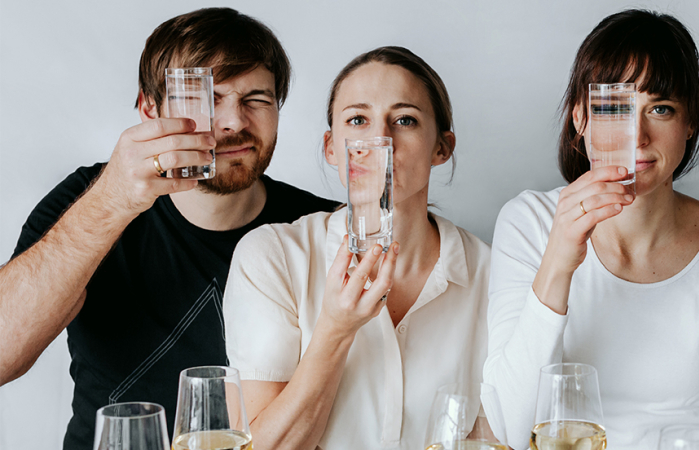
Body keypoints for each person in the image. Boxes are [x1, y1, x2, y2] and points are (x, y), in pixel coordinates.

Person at [0, 7, 339, 449]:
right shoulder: (88, 200)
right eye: (209, 98)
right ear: (149, 107)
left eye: (257, 99)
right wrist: (113, 201)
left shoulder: (323, 230)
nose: (235, 121)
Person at [484, 9, 699, 449]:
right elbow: (513, 426)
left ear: (690, 124)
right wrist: (559, 261)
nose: (637, 136)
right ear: (580, 118)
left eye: (660, 109)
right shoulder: (528, 222)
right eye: (614, 109)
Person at [222, 46, 491, 450]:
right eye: (358, 120)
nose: (380, 139)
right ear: (333, 147)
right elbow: (256, 447)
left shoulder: (492, 273)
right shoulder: (272, 257)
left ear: (442, 147)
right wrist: (335, 329)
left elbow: (495, 436)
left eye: (405, 120)